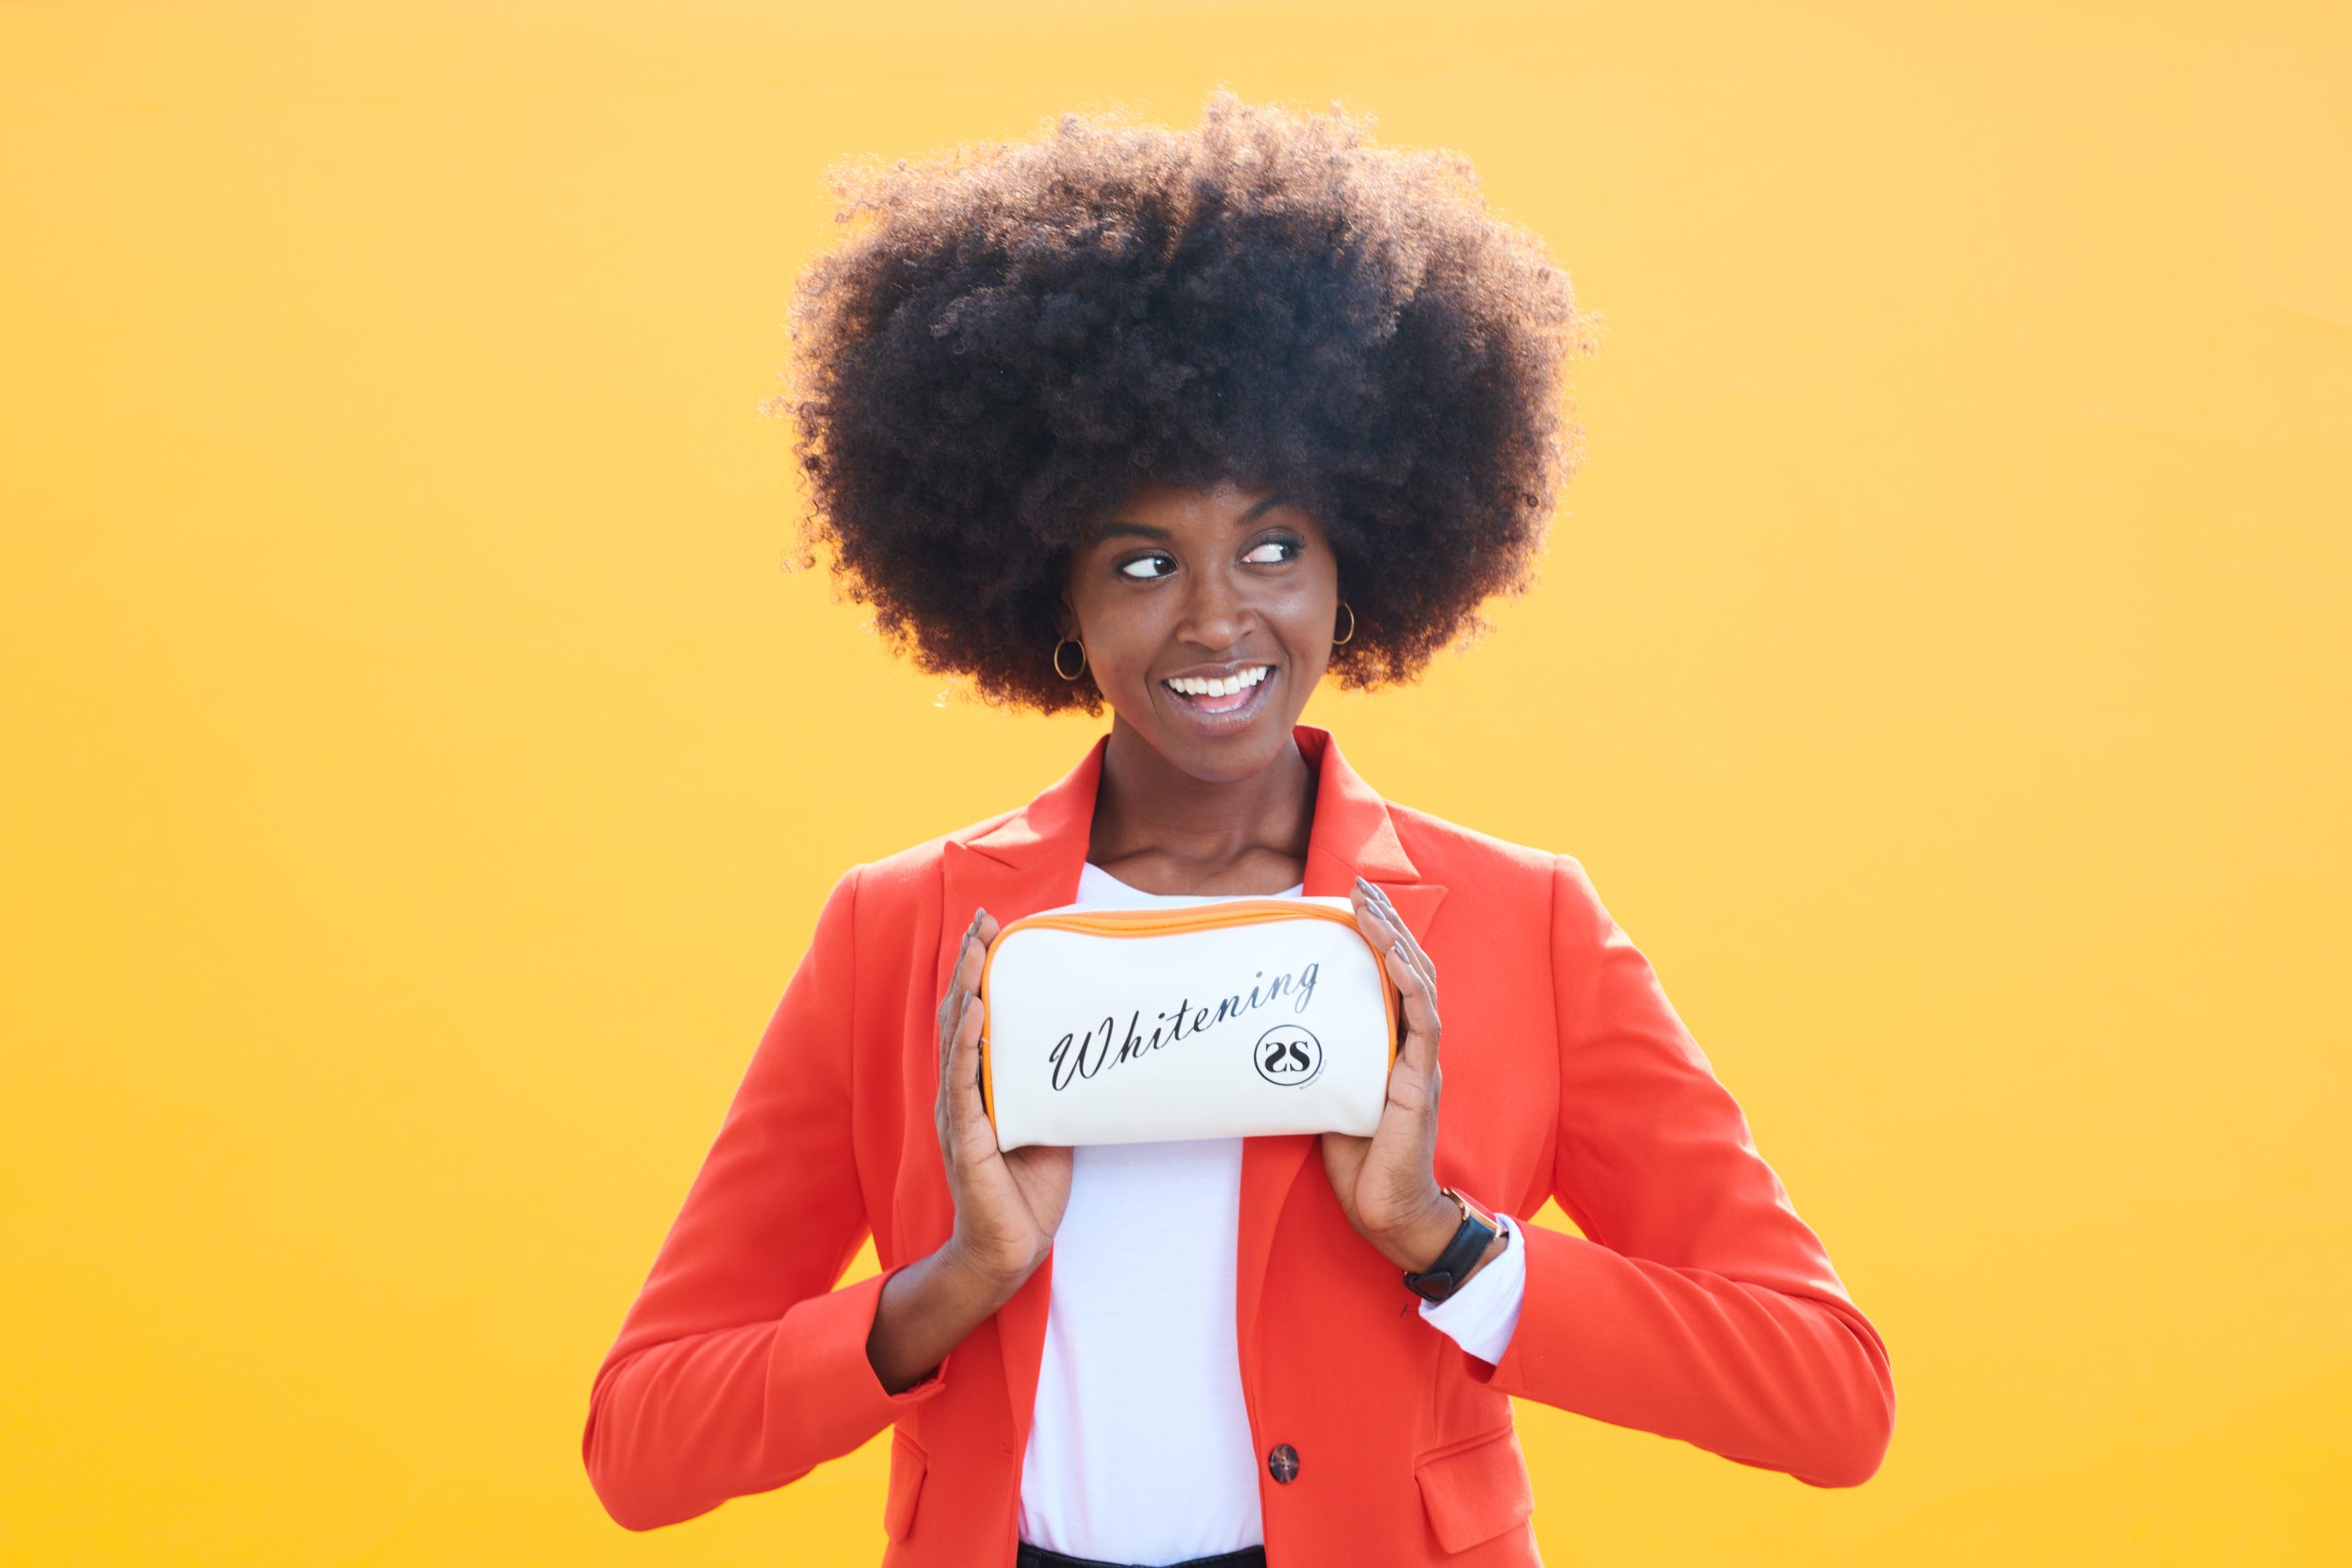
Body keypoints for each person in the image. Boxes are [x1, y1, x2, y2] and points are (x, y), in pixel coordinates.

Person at [582, 92, 1894, 1566]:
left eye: (1273, 546)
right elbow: (645, 1442)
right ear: (1053, 598)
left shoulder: (1521, 922)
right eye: (1144, 564)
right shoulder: (901, 931)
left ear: (1356, 565)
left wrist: (1446, 1243)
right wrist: (954, 1282)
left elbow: (1829, 1399)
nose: (1218, 619)